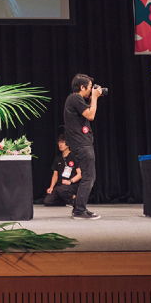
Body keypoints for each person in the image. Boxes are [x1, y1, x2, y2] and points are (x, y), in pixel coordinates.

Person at [64, 74, 103, 220]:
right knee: (89, 177)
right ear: (82, 87)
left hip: (79, 143)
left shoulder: (74, 100)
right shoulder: (75, 98)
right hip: (81, 144)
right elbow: (91, 115)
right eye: (89, 88)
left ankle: (78, 208)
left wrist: (93, 97)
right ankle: (80, 211)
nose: (90, 91)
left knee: (87, 176)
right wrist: (95, 98)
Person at [44, 134, 81, 207]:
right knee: (47, 201)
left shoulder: (74, 157)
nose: (60, 145)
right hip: (60, 185)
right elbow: (55, 175)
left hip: (72, 185)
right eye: (59, 143)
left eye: (63, 142)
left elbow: (80, 174)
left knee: (62, 190)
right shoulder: (58, 158)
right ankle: (66, 201)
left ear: (68, 144)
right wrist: (51, 187)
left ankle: (74, 199)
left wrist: (70, 181)